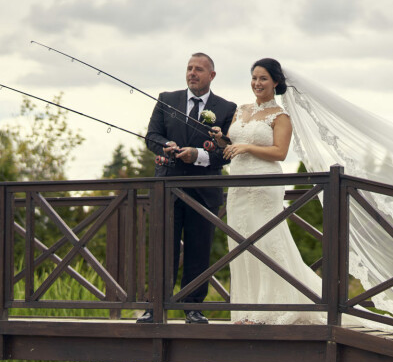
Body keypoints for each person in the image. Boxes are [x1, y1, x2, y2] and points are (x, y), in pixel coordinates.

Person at [209, 58, 324, 325]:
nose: (257, 83)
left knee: (265, 242)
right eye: (254, 78)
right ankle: (245, 309)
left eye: (263, 79)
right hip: (238, 184)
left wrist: (247, 148)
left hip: (263, 185)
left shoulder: (280, 116)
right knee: (241, 243)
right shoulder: (241, 110)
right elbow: (235, 143)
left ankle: (269, 308)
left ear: (275, 82)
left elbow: (280, 152)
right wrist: (220, 139)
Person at [138, 53, 237, 324]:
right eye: (189, 68)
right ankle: (154, 307)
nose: (193, 73)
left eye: (199, 69)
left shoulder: (227, 108)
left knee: (198, 249)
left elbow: (227, 150)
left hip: (204, 190)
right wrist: (166, 147)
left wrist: (199, 155)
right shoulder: (166, 99)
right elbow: (152, 137)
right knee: (163, 248)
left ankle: (192, 307)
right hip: (167, 187)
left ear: (211, 76)